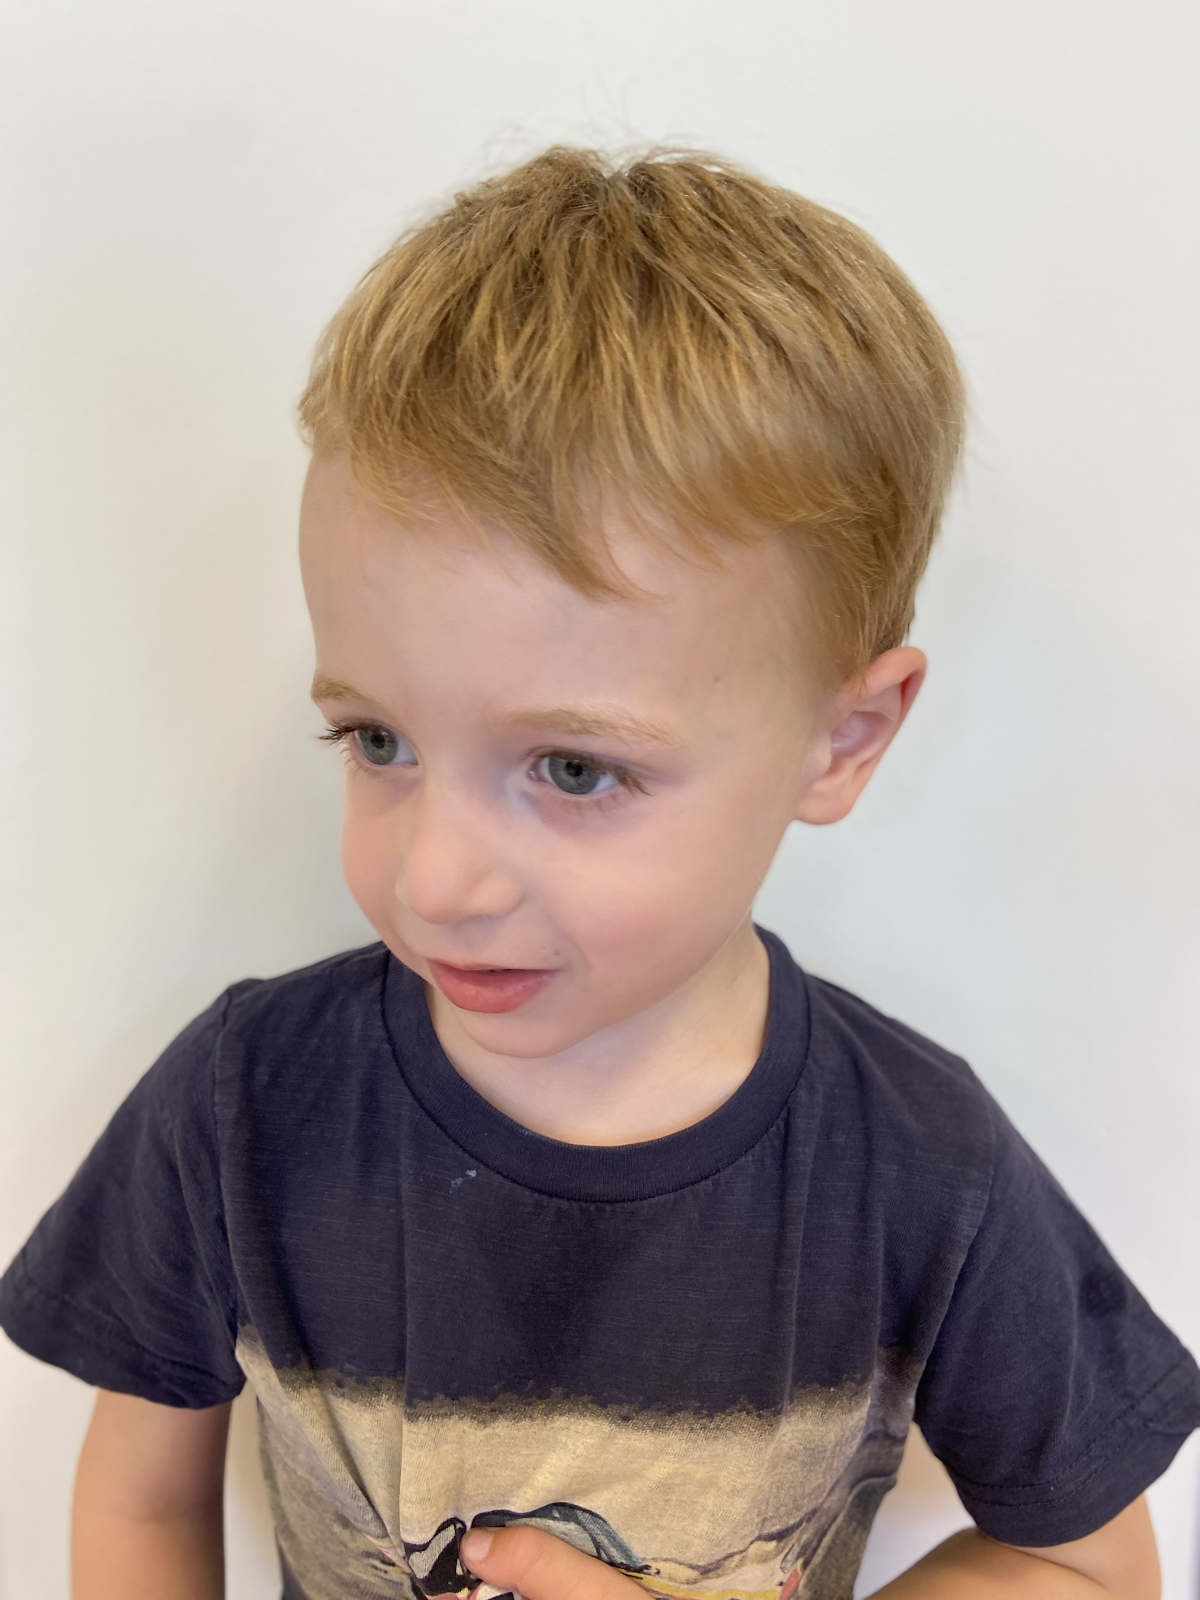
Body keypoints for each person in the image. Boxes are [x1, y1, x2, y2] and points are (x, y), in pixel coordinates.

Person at [2, 147, 1196, 1600]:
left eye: (574, 770)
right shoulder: (241, 1106)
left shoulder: (921, 1169)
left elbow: (1090, 1563)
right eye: (378, 740)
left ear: (845, 738)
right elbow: (139, 1504)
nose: (436, 880)